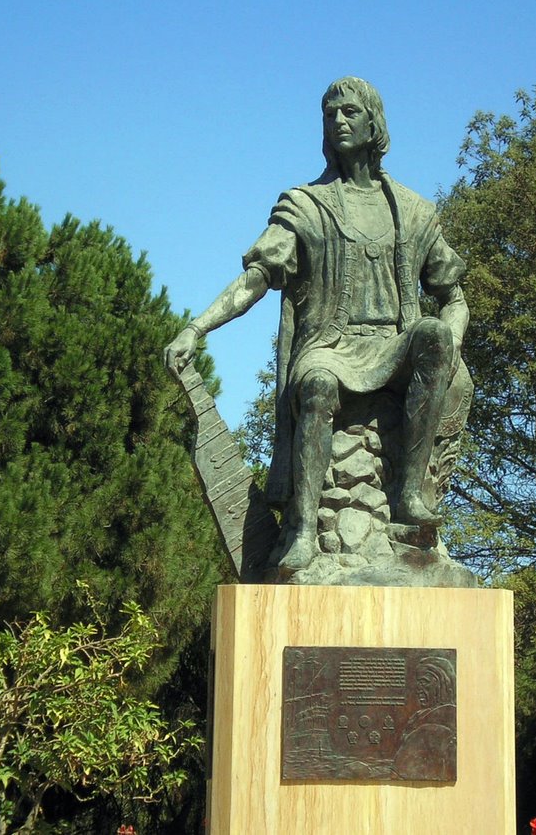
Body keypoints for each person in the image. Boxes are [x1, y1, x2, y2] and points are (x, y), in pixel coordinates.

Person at [165, 77, 469, 571]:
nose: (339, 122)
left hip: (394, 345)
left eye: (350, 112)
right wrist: (196, 329)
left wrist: (447, 348)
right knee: (319, 384)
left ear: (375, 124)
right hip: (329, 345)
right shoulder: (306, 204)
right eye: (331, 115)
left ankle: (410, 496)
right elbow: (256, 279)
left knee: (433, 333)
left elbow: (453, 299)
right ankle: (304, 530)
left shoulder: (414, 211)